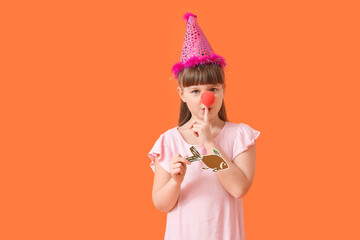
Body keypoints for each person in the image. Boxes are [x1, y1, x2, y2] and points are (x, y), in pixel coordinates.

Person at [148, 12, 261, 240]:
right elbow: (161, 204)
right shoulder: (169, 140)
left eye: (213, 89)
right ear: (182, 94)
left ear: (223, 91)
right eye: (195, 91)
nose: (205, 98)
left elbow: (239, 189)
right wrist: (175, 182)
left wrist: (209, 143)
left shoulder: (239, 135)